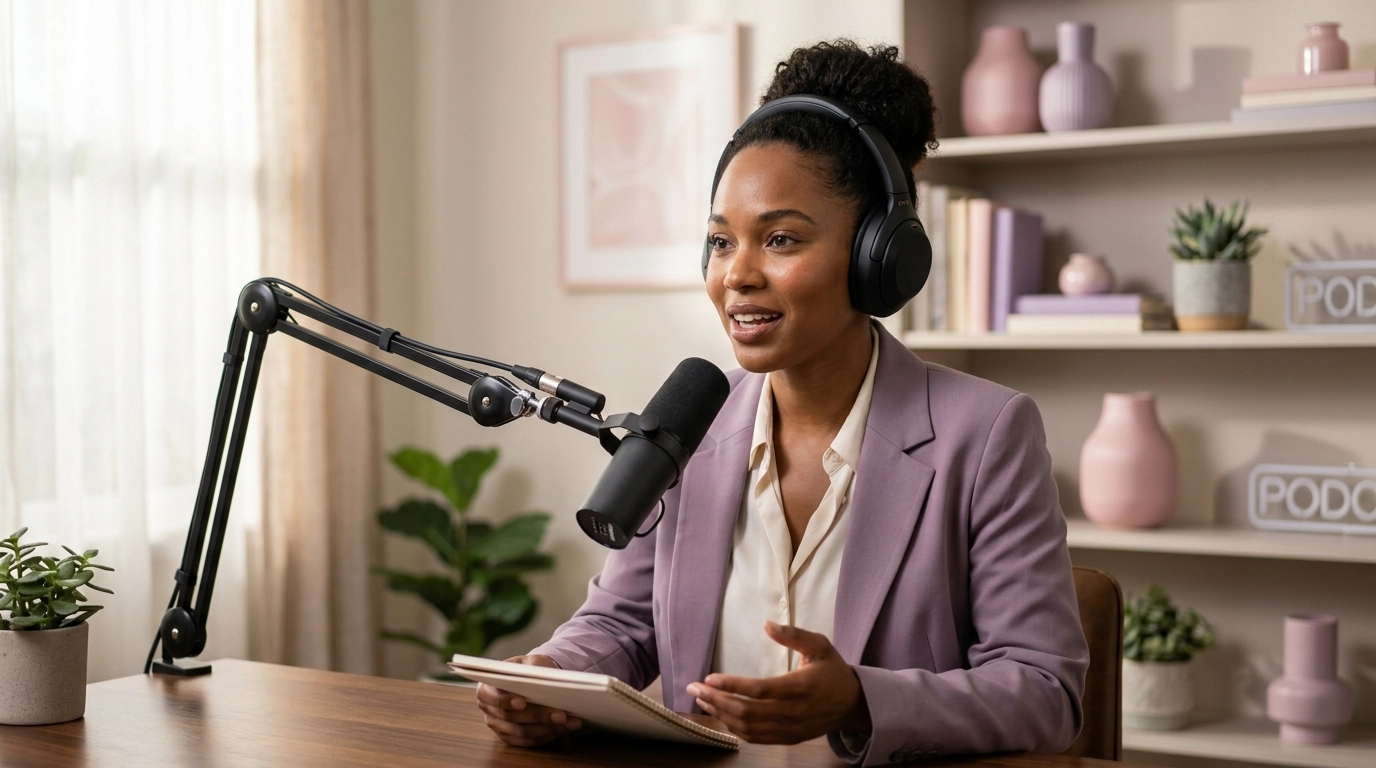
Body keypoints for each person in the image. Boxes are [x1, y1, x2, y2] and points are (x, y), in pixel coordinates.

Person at [476, 39, 1088, 765]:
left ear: (878, 258)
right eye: (720, 241)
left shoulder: (984, 434)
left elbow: (1046, 692)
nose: (737, 275)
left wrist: (862, 699)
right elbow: (625, 621)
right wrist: (552, 676)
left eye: (781, 239)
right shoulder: (688, 423)